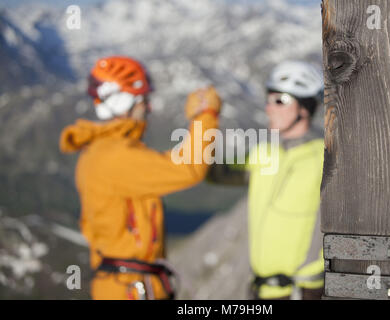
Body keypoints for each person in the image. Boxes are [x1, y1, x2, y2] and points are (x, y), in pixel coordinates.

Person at [60, 56, 221, 300]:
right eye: (143, 100)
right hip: (131, 289)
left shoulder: (101, 150)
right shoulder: (115, 157)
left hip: (123, 283)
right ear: (125, 101)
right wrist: (205, 116)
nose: (149, 108)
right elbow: (189, 168)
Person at [208, 60, 325, 300]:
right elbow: (216, 173)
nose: (269, 107)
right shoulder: (264, 153)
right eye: (268, 99)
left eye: (279, 100)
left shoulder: (324, 158)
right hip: (262, 289)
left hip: (303, 291)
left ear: (304, 107)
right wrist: (205, 119)